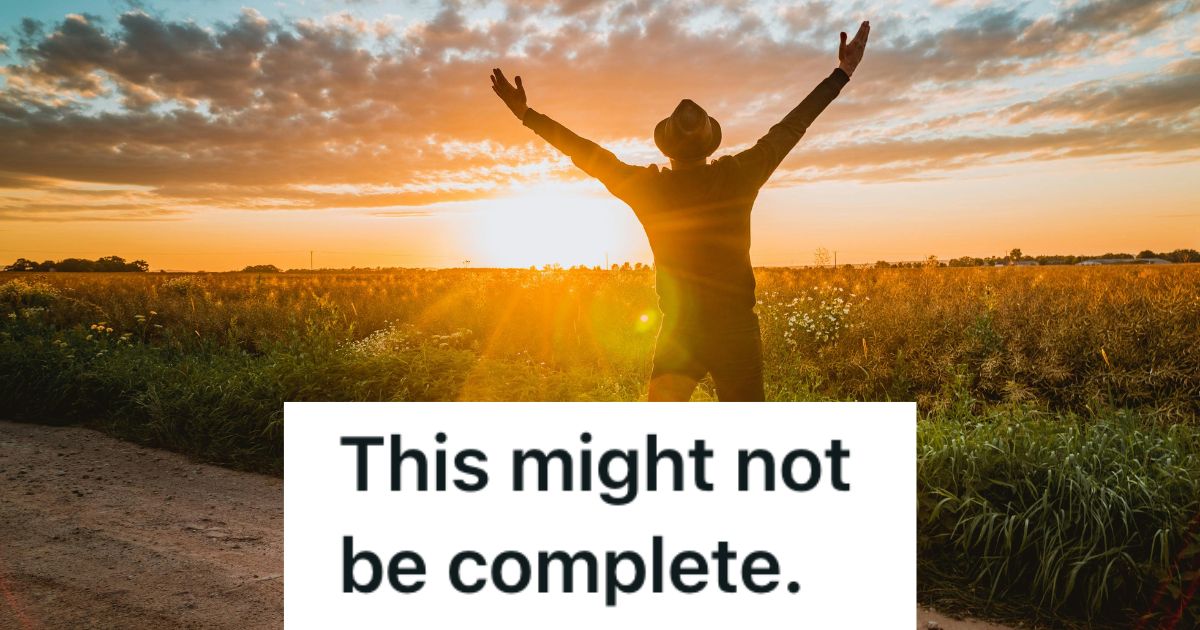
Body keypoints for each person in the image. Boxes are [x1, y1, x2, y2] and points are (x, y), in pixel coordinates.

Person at [491, 21, 871, 401]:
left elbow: (586, 153)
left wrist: (527, 115)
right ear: (709, 144)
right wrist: (841, 74)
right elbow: (791, 127)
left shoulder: (649, 190)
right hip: (735, 332)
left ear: (666, 148)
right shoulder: (738, 175)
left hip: (680, 331)